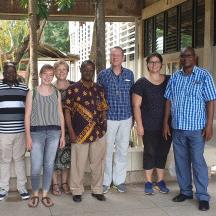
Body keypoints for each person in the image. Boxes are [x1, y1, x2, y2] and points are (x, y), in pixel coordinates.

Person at [163, 47, 216, 211]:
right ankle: (185, 191)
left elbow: (210, 101)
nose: (185, 58)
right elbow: (168, 101)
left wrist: (209, 125)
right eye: (183, 56)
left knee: (198, 162)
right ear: (180, 59)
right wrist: (165, 123)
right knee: (181, 162)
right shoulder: (175, 77)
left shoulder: (204, 75)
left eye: (189, 56)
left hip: (196, 129)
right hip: (177, 128)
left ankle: (202, 196)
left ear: (194, 57)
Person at [64, 60, 109, 203]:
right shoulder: (72, 89)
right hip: (79, 133)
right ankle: (76, 190)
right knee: (78, 163)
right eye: (86, 69)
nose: (89, 73)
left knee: (98, 163)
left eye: (91, 70)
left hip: (98, 132)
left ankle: (97, 190)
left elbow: (103, 107)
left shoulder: (99, 88)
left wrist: (105, 123)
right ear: (81, 70)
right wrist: (70, 132)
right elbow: (67, 111)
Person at [0, 62, 30, 201]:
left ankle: (22, 187)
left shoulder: (24, 88)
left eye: (13, 71)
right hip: (3, 133)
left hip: (21, 132)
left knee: (19, 159)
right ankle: (3, 188)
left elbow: (29, 111)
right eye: (7, 71)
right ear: (3, 73)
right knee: (5, 160)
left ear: (16, 72)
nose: (11, 74)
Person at [25, 64, 65, 208]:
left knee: (49, 165)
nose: (48, 77)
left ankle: (45, 194)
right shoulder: (32, 93)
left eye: (51, 74)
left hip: (54, 132)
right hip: (36, 133)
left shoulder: (56, 93)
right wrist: (28, 136)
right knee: (36, 166)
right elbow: (27, 115)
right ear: (40, 75)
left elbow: (60, 114)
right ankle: (35, 194)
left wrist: (62, 135)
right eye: (45, 74)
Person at [131, 53, 172, 195]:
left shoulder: (169, 80)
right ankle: (148, 182)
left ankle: (160, 182)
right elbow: (136, 106)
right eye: (151, 62)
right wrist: (139, 125)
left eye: (157, 62)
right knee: (150, 153)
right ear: (147, 64)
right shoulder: (141, 83)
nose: (154, 65)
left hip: (166, 125)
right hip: (148, 125)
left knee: (162, 153)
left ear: (161, 64)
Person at [97, 46, 134, 193]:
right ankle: (105, 181)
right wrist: (101, 117)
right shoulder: (103, 74)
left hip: (125, 118)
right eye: (113, 55)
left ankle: (118, 181)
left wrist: (133, 119)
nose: (115, 57)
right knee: (105, 151)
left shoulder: (130, 74)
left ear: (123, 58)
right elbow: (99, 97)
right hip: (109, 119)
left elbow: (133, 96)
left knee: (122, 150)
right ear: (110, 57)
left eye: (118, 55)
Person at [51, 60, 74, 196]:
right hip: (53, 127)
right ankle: (55, 183)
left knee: (67, 155)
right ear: (54, 72)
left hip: (70, 127)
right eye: (58, 69)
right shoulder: (50, 87)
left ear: (67, 71)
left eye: (63, 69)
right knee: (53, 156)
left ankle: (64, 182)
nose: (61, 72)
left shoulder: (74, 86)